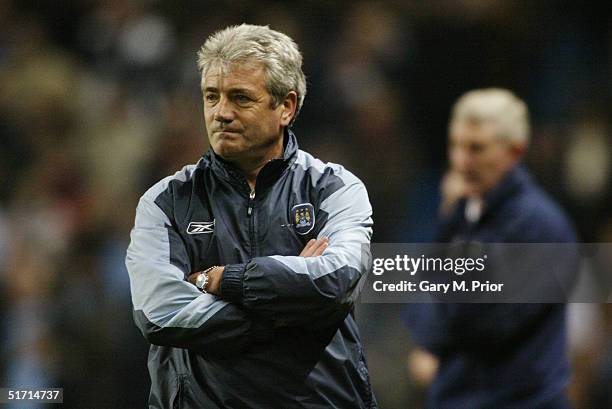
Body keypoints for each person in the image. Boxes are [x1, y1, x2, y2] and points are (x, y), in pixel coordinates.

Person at [125, 24, 377, 409]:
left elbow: (337, 280)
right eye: (211, 97)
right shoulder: (165, 202)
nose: (221, 113)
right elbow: (160, 313)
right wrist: (290, 308)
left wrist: (221, 279)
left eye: (240, 98)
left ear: (286, 107)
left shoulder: (335, 188)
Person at [404, 88, 577, 409]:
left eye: (476, 148)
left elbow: (483, 321)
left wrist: (431, 336)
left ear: (515, 152)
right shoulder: (462, 214)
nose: (460, 161)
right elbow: (414, 299)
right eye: (455, 145)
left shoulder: (539, 226)